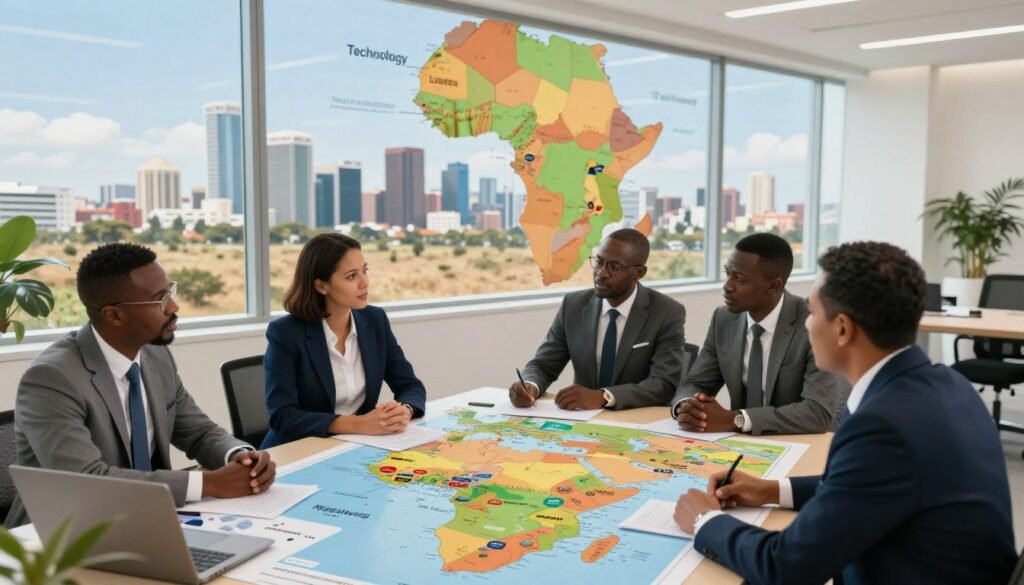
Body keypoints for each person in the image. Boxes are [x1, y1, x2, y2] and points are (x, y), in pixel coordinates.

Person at [674, 242, 1015, 585]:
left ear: (842, 329)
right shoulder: (948, 383)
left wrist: (705, 520)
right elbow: (862, 484)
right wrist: (770, 490)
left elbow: (786, 566)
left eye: (813, 314)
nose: (806, 325)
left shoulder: (882, 426)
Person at [7, 243, 275, 528]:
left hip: (142, 519)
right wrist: (208, 483)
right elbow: (86, 480)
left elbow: (198, 432)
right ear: (114, 315)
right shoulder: (51, 378)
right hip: (60, 535)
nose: (173, 307)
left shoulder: (155, 355)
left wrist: (239, 457)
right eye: (159, 299)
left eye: (170, 291)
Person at [261, 233, 426, 448]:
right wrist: (358, 424)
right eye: (351, 276)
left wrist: (405, 409)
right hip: (297, 449)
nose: (364, 282)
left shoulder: (374, 321)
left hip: (354, 446)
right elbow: (283, 416)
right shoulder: (286, 333)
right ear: (321, 286)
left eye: (364, 270)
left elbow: (410, 385)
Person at [671, 233, 843, 435]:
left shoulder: (812, 324)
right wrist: (688, 406)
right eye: (727, 273)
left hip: (799, 445)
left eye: (739, 278)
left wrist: (736, 419)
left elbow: (817, 413)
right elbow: (696, 383)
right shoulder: (723, 319)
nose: (727, 286)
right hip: (743, 446)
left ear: (773, 285)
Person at [509, 228, 686, 410]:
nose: (601, 273)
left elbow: (663, 384)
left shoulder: (667, 312)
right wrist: (530, 385)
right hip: (583, 418)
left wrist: (605, 397)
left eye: (614, 267)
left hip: (636, 418)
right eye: (599, 262)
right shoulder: (573, 305)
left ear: (639, 272)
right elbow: (544, 364)